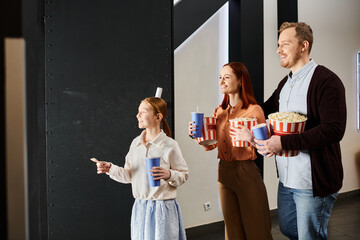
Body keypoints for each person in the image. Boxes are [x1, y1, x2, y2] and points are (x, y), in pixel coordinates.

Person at [256, 22, 346, 239]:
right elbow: (261, 111)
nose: (279, 50)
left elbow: (334, 130)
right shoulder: (285, 84)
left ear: (303, 45)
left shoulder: (327, 81)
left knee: (310, 236)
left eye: (285, 44)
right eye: (278, 45)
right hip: (287, 178)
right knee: (288, 228)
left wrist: (283, 143)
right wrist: (229, 112)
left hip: (312, 180)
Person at [189, 62, 273, 240]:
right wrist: (196, 135)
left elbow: (266, 147)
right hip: (224, 172)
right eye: (220, 77)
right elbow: (212, 144)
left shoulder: (253, 110)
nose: (222, 81)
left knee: (257, 230)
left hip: (246, 171)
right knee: (232, 231)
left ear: (241, 80)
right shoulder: (219, 112)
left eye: (227, 77)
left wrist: (251, 138)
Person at [92, 97, 189, 240]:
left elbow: (183, 175)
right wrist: (110, 169)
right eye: (138, 112)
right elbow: (129, 175)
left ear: (158, 117)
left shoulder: (170, 145)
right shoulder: (135, 144)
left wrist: (169, 174)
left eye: (143, 112)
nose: (138, 115)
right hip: (140, 208)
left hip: (163, 209)